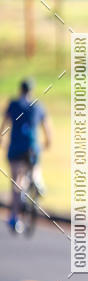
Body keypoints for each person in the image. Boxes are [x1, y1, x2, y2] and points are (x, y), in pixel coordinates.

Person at [1, 79, 51, 232]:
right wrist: (46, 144)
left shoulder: (13, 105)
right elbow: (48, 131)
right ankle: (37, 181)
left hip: (15, 148)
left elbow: (3, 127)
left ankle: (14, 218)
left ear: (20, 90)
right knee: (35, 166)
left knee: (16, 183)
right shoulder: (38, 107)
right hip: (31, 147)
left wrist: (3, 143)